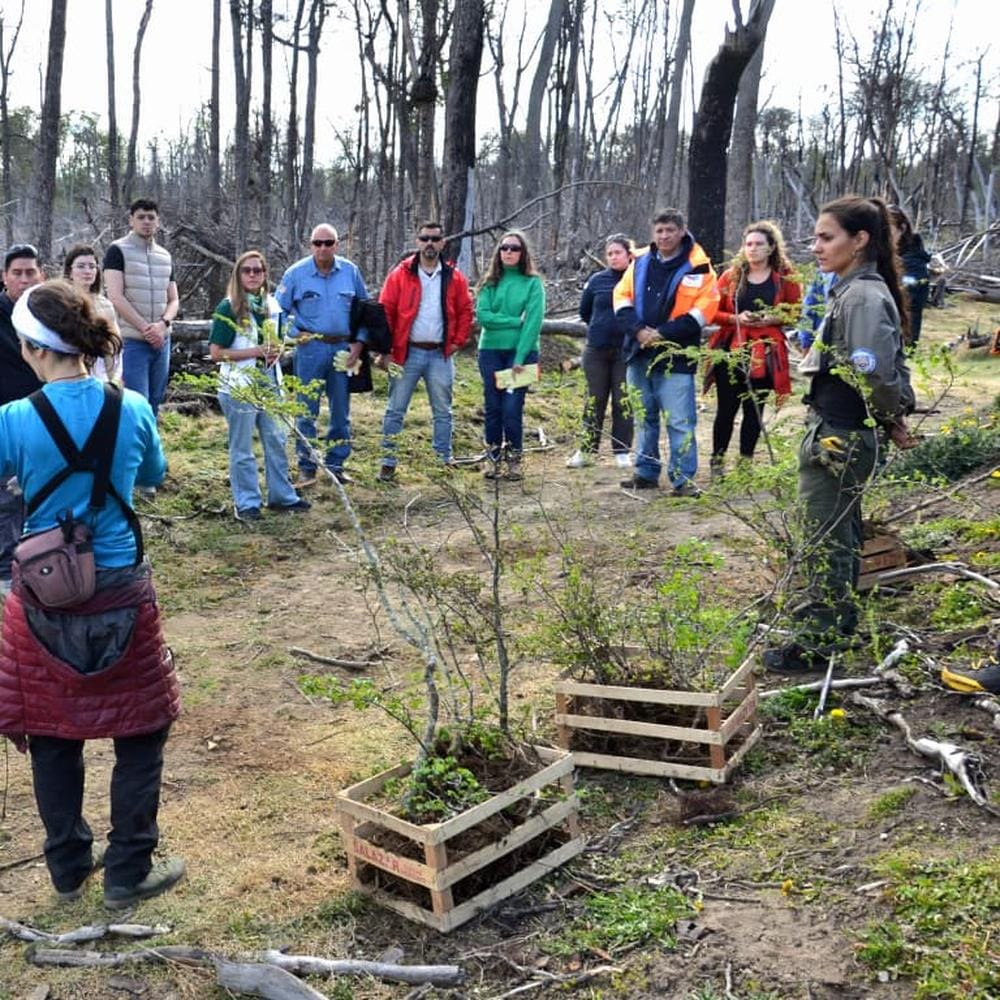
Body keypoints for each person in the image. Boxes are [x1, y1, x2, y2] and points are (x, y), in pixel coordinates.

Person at [0, 280, 183, 909]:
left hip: (42, 596)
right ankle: (128, 871)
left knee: (52, 733)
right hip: (122, 588)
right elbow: (154, 474)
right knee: (142, 730)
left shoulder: (15, 420)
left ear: (31, 347)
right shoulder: (130, 406)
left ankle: (67, 870)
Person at [764, 196, 917, 674]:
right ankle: (837, 621)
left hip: (842, 434)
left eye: (826, 237)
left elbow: (875, 374)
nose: (815, 247)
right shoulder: (849, 290)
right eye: (815, 237)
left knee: (826, 536)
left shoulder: (865, 296)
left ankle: (820, 639)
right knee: (839, 531)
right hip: (836, 428)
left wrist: (889, 415)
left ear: (860, 240)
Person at [612, 208, 719, 495]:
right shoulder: (641, 262)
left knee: (680, 420)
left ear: (682, 231)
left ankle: (684, 480)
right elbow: (620, 298)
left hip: (677, 356)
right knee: (644, 416)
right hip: (638, 351)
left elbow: (704, 311)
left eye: (670, 230)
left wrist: (662, 334)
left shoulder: (700, 267)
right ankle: (646, 472)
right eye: (659, 231)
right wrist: (639, 331)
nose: (664, 236)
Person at [209, 250, 310, 521]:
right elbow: (217, 353)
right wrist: (254, 351)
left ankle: (282, 496)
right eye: (247, 270)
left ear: (265, 275)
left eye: (258, 270)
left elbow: (275, 344)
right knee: (242, 447)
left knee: (276, 439)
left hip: (270, 382)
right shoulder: (228, 307)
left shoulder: (272, 305)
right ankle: (247, 503)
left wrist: (277, 352)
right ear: (238, 275)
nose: (253, 275)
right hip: (239, 385)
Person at [376, 221, 473, 483]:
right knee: (395, 409)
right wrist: (385, 350)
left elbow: (465, 310)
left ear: (443, 243)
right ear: (417, 242)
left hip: (440, 354)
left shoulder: (454, 276)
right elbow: (385, 311)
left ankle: (442, 459)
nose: (429, 243)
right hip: (406, 353)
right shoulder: (401, 274)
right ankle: (388, 462)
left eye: (435, 238)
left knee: (443, 411)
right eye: (424, 238)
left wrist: (457, 342)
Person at [276, 224, 370, 486]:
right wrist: (295, 333)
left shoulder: (350, 272)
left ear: (337, 245)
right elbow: (277, 312)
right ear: (310, 245)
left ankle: (336, 466)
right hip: (310, 350)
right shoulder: (295, 274)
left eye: (328, 243)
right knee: (306, 409)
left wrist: (359, 343)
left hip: (344, 349)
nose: (323, 248)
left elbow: (366, 310)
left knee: (341, 412)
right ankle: (307, 467)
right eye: (318, 243)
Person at [705, 221, 801, 476]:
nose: (753, 249)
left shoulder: (784, 277)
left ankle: (745, 464)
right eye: (749, 244)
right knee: (726, 407)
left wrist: (772, 318)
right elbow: (712, 310)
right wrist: (736, 318)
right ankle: (717, 462)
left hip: (766, 352)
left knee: (754, 409)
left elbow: (795, 310)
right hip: (732, 347)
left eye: (759, 244)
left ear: (771, 248)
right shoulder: (732, 275)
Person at [475, 230, 545, 481]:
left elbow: (534, 322)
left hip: (521, 356)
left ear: (523, 253)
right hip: (490, 352)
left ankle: (515, 458)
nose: (509, 252)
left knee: (512, 407)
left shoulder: (533, 283)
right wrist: (515, 320)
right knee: (493, 406)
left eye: (514, 248)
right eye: (504, 248)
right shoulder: (489, 283)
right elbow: (484, 317)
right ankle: (493, 457)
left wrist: (519, 357)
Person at [103, 198, 179, 418]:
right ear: (131, 220)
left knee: (155, 401)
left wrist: (163, 325)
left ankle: (150, 451)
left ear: (158, 222)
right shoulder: (117, 250)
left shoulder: (165, 256)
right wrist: (147, 329)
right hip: (132, 340)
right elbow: (115, 296)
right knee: (136, 403)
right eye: (141, 217)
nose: (146, 222)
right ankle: (131, 450)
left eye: (151, 217)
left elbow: (174, 299)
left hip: (162, 341)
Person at [566, 234, 635, 470]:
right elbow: (585, 312)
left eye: (618, 252)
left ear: (629, 255)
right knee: (594, 400)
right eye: (610, 253)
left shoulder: (637, 278)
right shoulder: (597, 280)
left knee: (623, 400)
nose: (614, 257)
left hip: (625, 351)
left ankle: (622, 450)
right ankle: (586, 450)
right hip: (596, 350)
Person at [0, 243, 44, 590]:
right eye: (17, 273)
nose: (24, 279)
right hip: (6, 419)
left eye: (31, 272)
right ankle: (4, 573)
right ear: (5, 277)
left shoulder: (48, 313)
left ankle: (39, 564)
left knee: (38, 493)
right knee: (5, 498)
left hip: (45, 417)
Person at [63, 243, 122, 383]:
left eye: (92, 266)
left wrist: (114, 379)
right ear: (70, 271)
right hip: (68, 374)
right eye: (81, 266)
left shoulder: (105, 305)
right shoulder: (61, 302)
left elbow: (113, 346)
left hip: (99, 375)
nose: (87, 271)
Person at [888, 205, 932, 346]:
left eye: (889, 229)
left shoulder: (912, 258)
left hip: (904, 326)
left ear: (902, 228)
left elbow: (912, 288)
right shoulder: (887, 253)